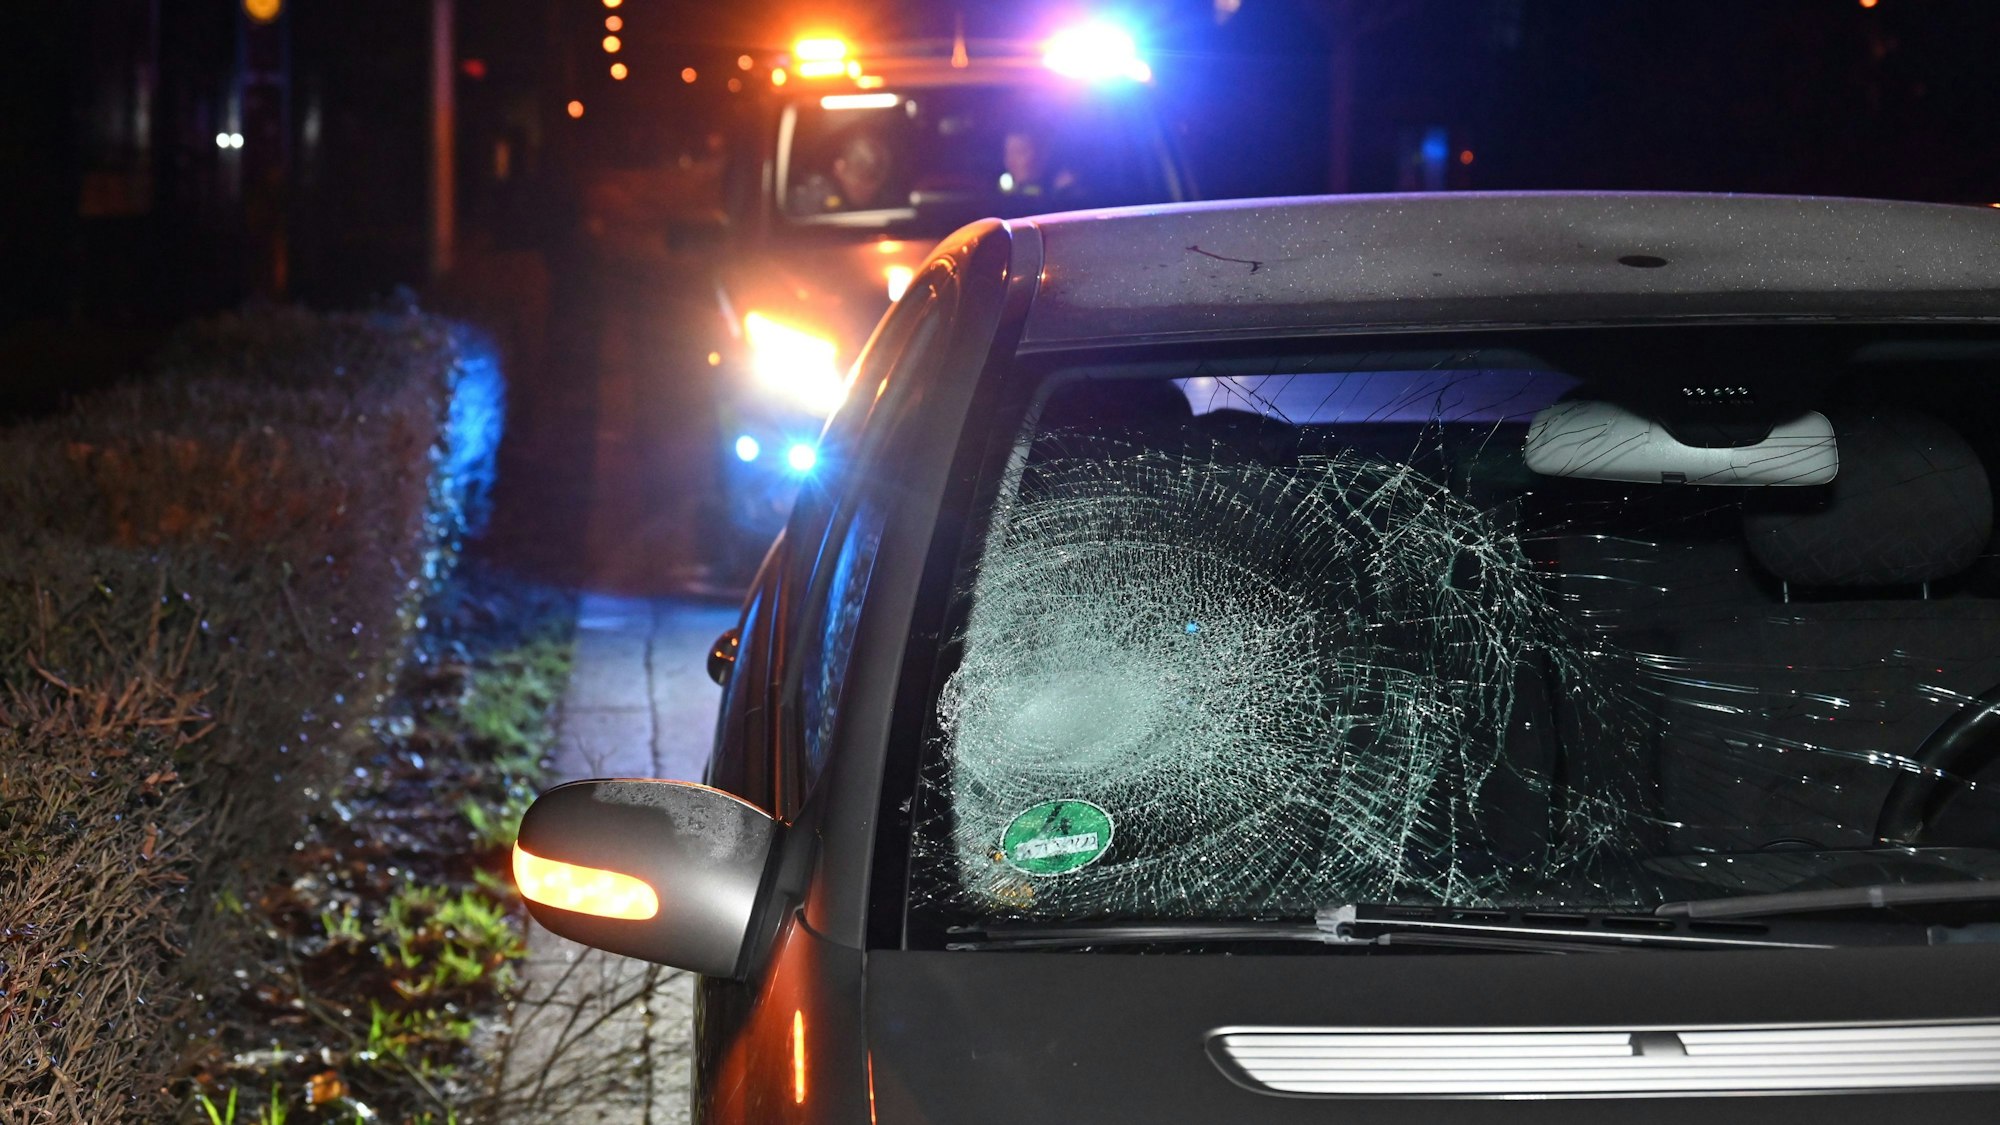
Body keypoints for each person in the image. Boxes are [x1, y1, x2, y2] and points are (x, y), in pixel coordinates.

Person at [792, 130, 895, 214]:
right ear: (839, 168)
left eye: (874, 176)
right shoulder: (810, 199)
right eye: (859, 174)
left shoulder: (890, 203)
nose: (865, 188)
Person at [999, 128, 1078, 199]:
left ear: (1043, 153)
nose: (1010, 162)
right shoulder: (1008, 198)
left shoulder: (1068, 197)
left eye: (1018, 152)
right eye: (1008, 153)